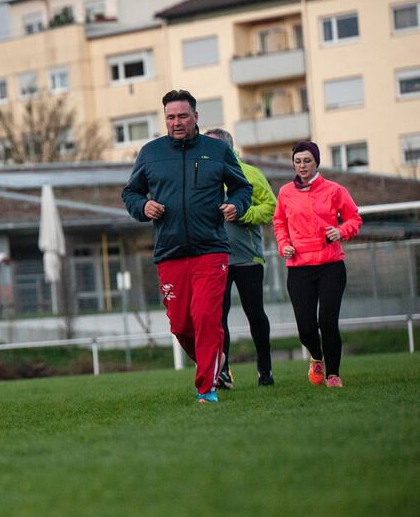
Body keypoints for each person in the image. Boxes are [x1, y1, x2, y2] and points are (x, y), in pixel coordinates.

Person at [122, 90, 251, 404]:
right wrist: (144, 206)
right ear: (164, 119)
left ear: (195, 117)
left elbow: (241, 187)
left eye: (182, 116)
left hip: (211, 250)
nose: (176, 122)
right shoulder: (150, 153)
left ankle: (206, 388)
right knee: (180, 324)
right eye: (170, 117)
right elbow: (130, 193)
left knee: (207, 317)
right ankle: (214, 362)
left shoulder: (217, 150)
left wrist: (236, 205)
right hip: (170, 252)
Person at [273, 141, 362, 388]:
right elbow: (279, 223)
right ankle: (316, 357)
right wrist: (284, 246)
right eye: (297, 161)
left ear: (317, 162)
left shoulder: (335, 190)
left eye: (307, 161)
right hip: (299, 267)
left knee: (327, 321)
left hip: (331, 265)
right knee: (306, 328)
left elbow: (354, 218)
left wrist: (341, 230)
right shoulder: (285, 193)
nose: (302, 166)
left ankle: (333, 374)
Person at [204, 128, 277, 388]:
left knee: (255, 314)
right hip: (214, 257)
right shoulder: (203, 174)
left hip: (247, 258)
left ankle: (265, 370)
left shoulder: (250, 174)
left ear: (225, 148)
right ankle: (223, 372)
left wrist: (242, 213)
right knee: (217, 318)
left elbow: (271, 208)